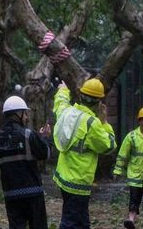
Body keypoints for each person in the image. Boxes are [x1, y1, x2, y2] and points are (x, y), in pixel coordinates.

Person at [52, 78, 117, 229]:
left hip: (63, 178)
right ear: (98, 102)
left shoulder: (67, 112)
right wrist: (105, 121)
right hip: (79, 182)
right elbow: (109, 146)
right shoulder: (92, 123)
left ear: (81, 96)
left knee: (80, 220)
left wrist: (63, 89)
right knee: (71, 222)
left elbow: (59, 103)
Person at [0, 96, 53, 229]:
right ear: (18, 113)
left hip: (11, 194)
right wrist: (46, 138)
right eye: (25, 113)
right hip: (33, 193)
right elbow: (45, 153)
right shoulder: (28, 134)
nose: (26, 117)